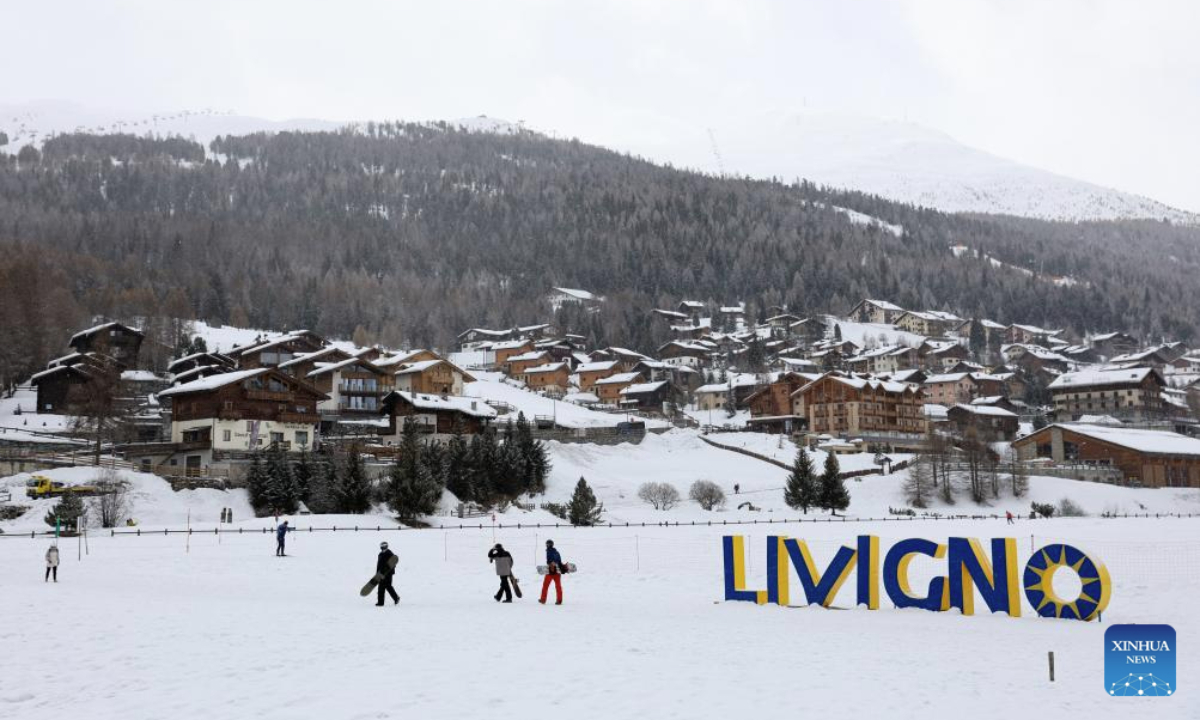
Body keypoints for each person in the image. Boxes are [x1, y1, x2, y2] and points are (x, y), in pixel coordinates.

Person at [539, 539, 565, 605]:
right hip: (557, 571)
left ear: (549, 545)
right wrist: (561, 567)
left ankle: (543, 599)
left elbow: (550, 561)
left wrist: (551, 563)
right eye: (546, 544)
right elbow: (559, 561)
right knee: (558, 586)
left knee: (545, 586)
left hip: (550, 571)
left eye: (547, 544)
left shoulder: (549, 551)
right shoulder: (557, 552)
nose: (547, 545)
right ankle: (559, 600)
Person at [376, 541, 399, 606]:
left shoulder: (389, 553)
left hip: (388, 574)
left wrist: (387, 572)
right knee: (381, 587)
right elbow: (378, 565)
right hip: (381, 573)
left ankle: (396, 598)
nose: (382, 547)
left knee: (388, 586)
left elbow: (393, 564)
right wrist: (377, 573)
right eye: (381, 546)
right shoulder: (380, 554)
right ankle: (380, 602)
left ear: (386, 546)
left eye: (384, 546)